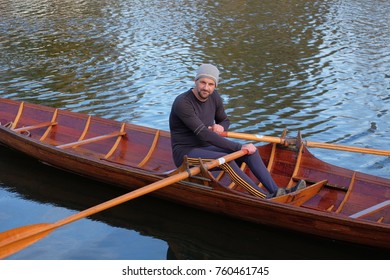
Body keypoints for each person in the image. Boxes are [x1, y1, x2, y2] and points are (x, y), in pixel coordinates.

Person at [169, 64, 306, 198]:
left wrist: (221, 126)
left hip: (207, 147)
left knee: (251, 153)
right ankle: (265, 198)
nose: (206, 87)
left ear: (215, 85)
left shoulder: (214, 97)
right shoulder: (183, 103)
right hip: (185, 153)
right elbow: (204, 134)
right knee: (226, 160)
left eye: (211, 84)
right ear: (195, 81)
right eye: (203, 82)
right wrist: (240, 147)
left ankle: (276, 191)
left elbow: (225, 121)